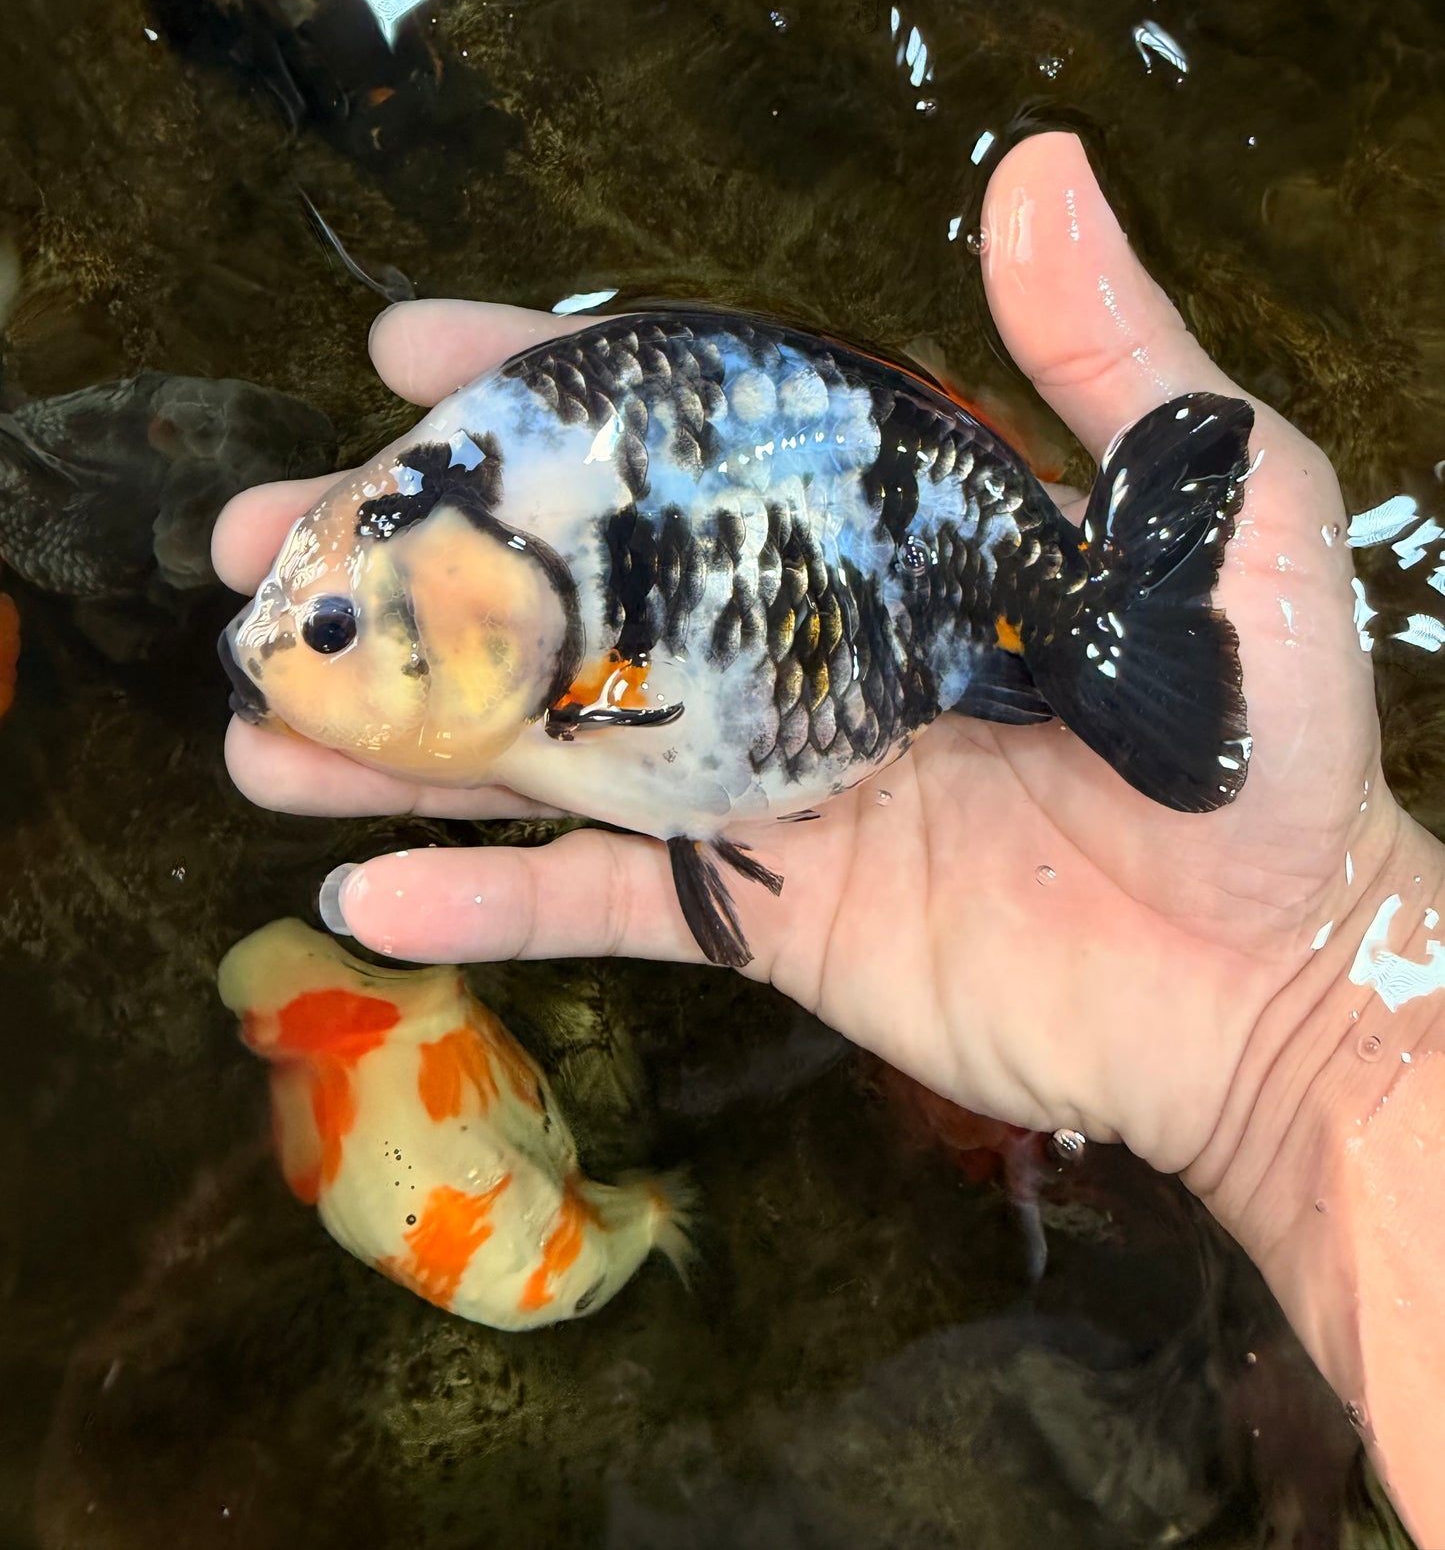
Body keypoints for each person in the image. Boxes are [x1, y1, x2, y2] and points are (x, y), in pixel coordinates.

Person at [214, 131, 1445, 1545]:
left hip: (907, 574)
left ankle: (1093, 625)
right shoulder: (521, 542)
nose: (299, 657)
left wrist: (1319, 996)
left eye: (332, 630)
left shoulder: (563, 611)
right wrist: (1320, 1015)